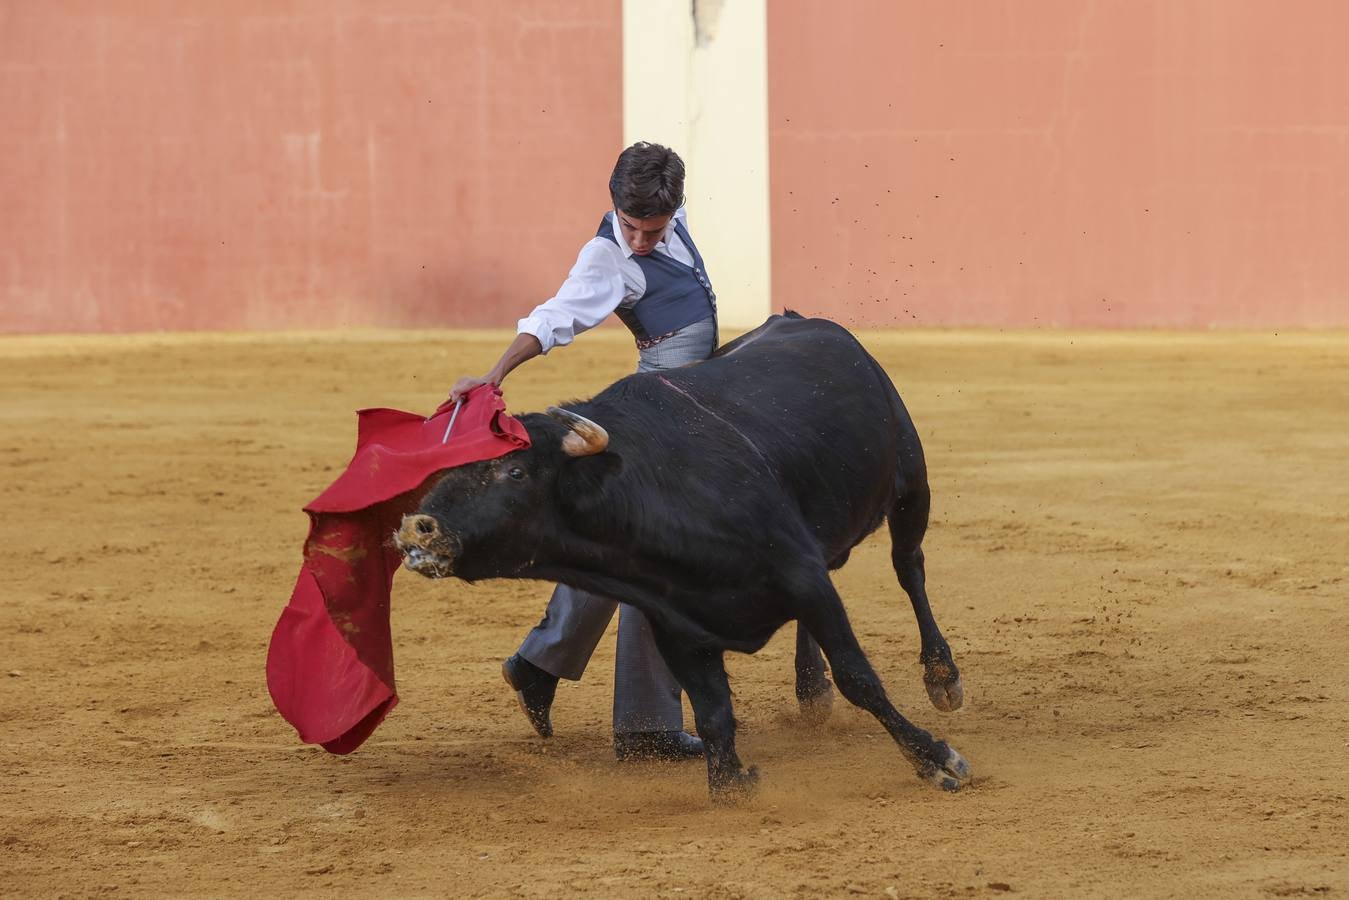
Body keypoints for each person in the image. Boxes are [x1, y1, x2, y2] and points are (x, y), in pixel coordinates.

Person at [448, 142, 718, 761]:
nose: (641, 241)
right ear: (614, 207)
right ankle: (647, 727)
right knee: (659, 553)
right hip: (663, 409)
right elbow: (555, 317)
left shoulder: (669, 213)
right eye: (630, 226)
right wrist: (493, 376)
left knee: (618, 540)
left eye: (654, 229)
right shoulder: (606, 257)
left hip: (690, 403)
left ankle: (540, 662)